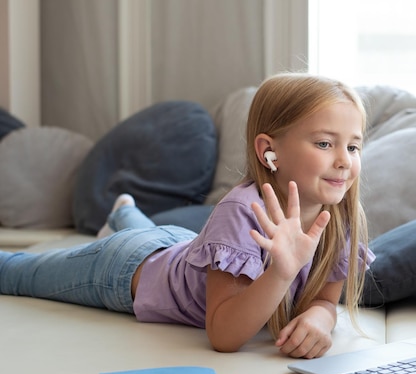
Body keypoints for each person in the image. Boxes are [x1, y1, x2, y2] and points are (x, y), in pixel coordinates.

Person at [0, 72, 373, 359]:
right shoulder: (243, 212)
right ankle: (126, 220)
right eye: (325, 143)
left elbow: (324, 299)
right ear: (268, 152)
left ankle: (126, 211)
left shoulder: (341, 219)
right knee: (19, 273)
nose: (344, 160)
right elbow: (224, 336)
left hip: (178, 246)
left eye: (353, 146)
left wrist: (320, 319)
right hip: (125, 268)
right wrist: (281, 270)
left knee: (152, 235)